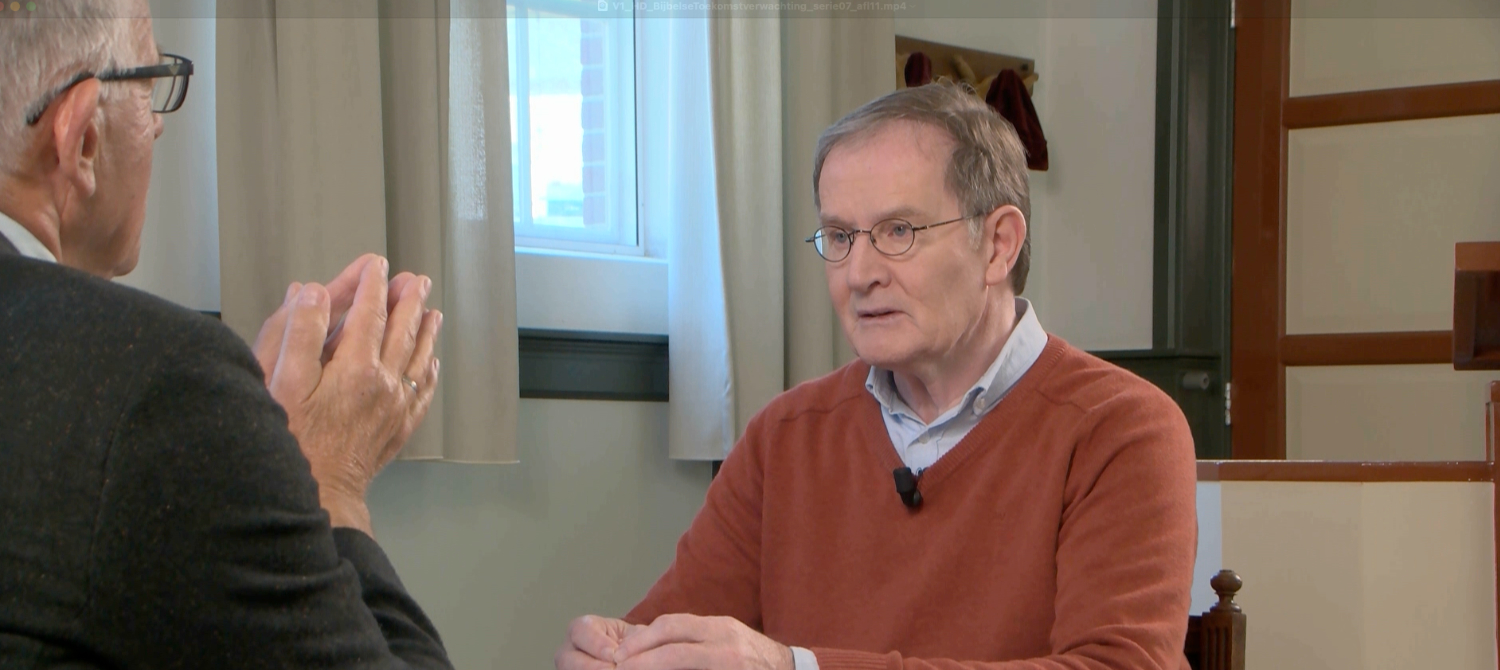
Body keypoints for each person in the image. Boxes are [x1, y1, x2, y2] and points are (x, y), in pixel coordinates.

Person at [558, 83, 1198, 670]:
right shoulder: (785, 435)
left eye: (899, 230)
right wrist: (615, 655)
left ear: (998, 244)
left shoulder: (1120, 429)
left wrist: (795, 667)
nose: (859, 273)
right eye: (839, 236)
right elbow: (669, 635)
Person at [0, 2, 452, 667]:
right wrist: (327, 481)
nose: (158, 126)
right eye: (149, 87)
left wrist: (243, 434)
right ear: (83, 138)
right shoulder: (163, 386)